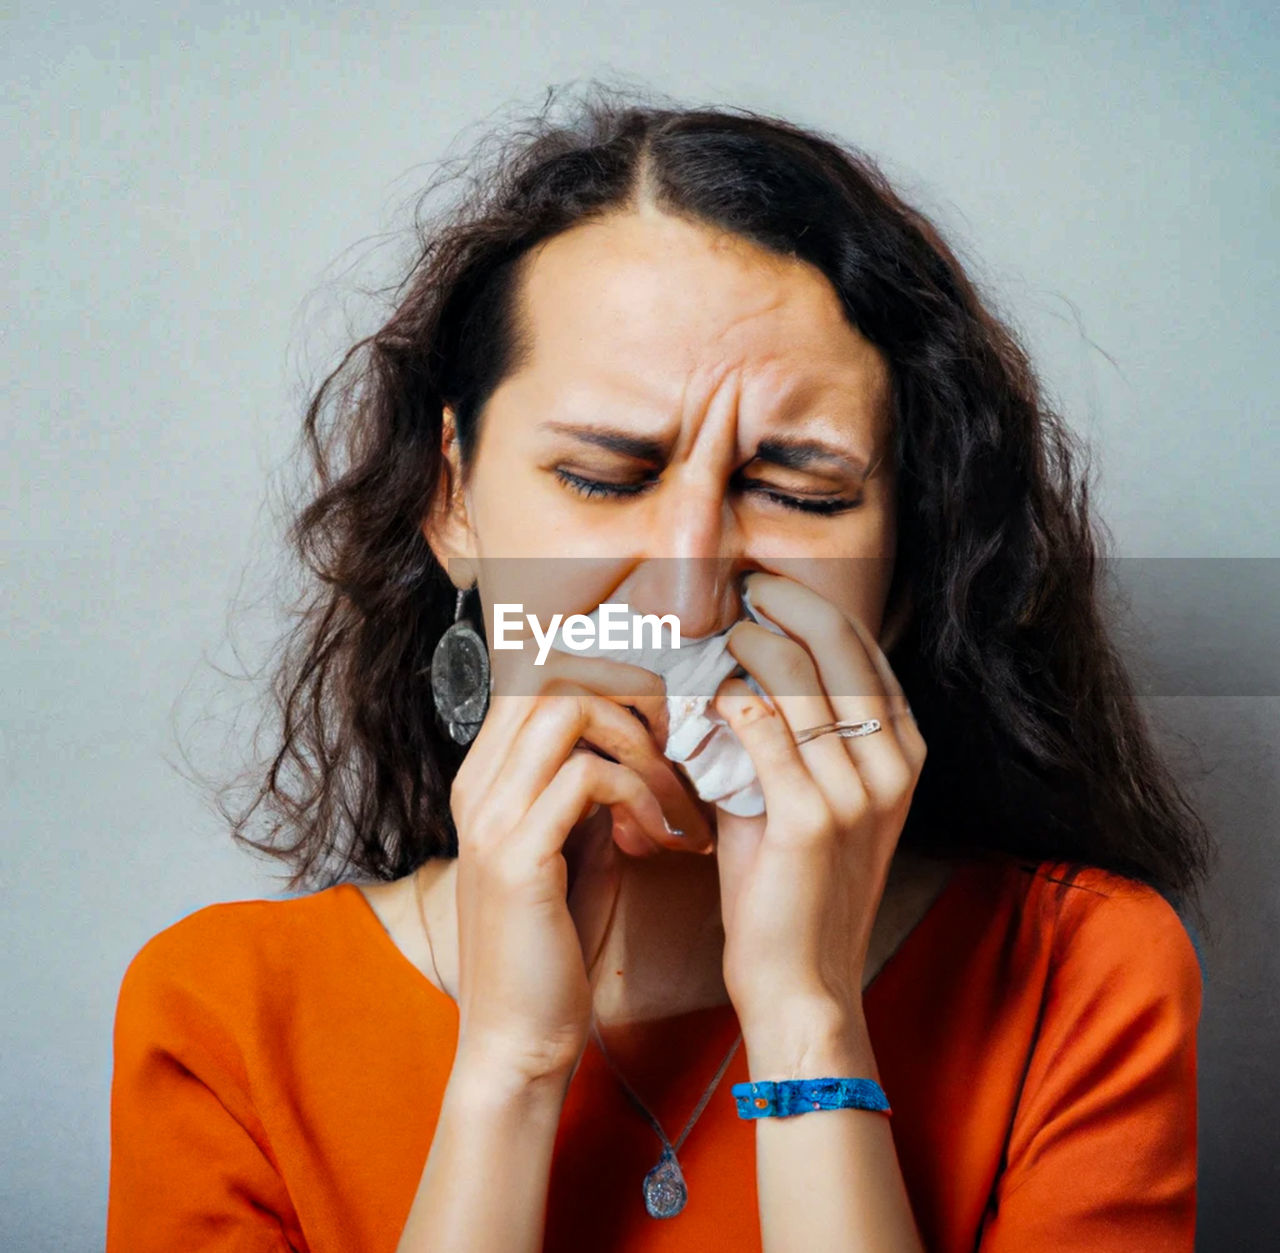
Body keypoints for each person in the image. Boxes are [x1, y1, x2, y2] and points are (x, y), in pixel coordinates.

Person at [106, 88, 1212, 1252]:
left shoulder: (1079, 974)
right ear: (452, 499)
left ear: (903, 564)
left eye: (799, 492)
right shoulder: (221, 1014)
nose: (685, 593)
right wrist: (508, 1067)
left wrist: (807, 1024)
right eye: (599, 476)